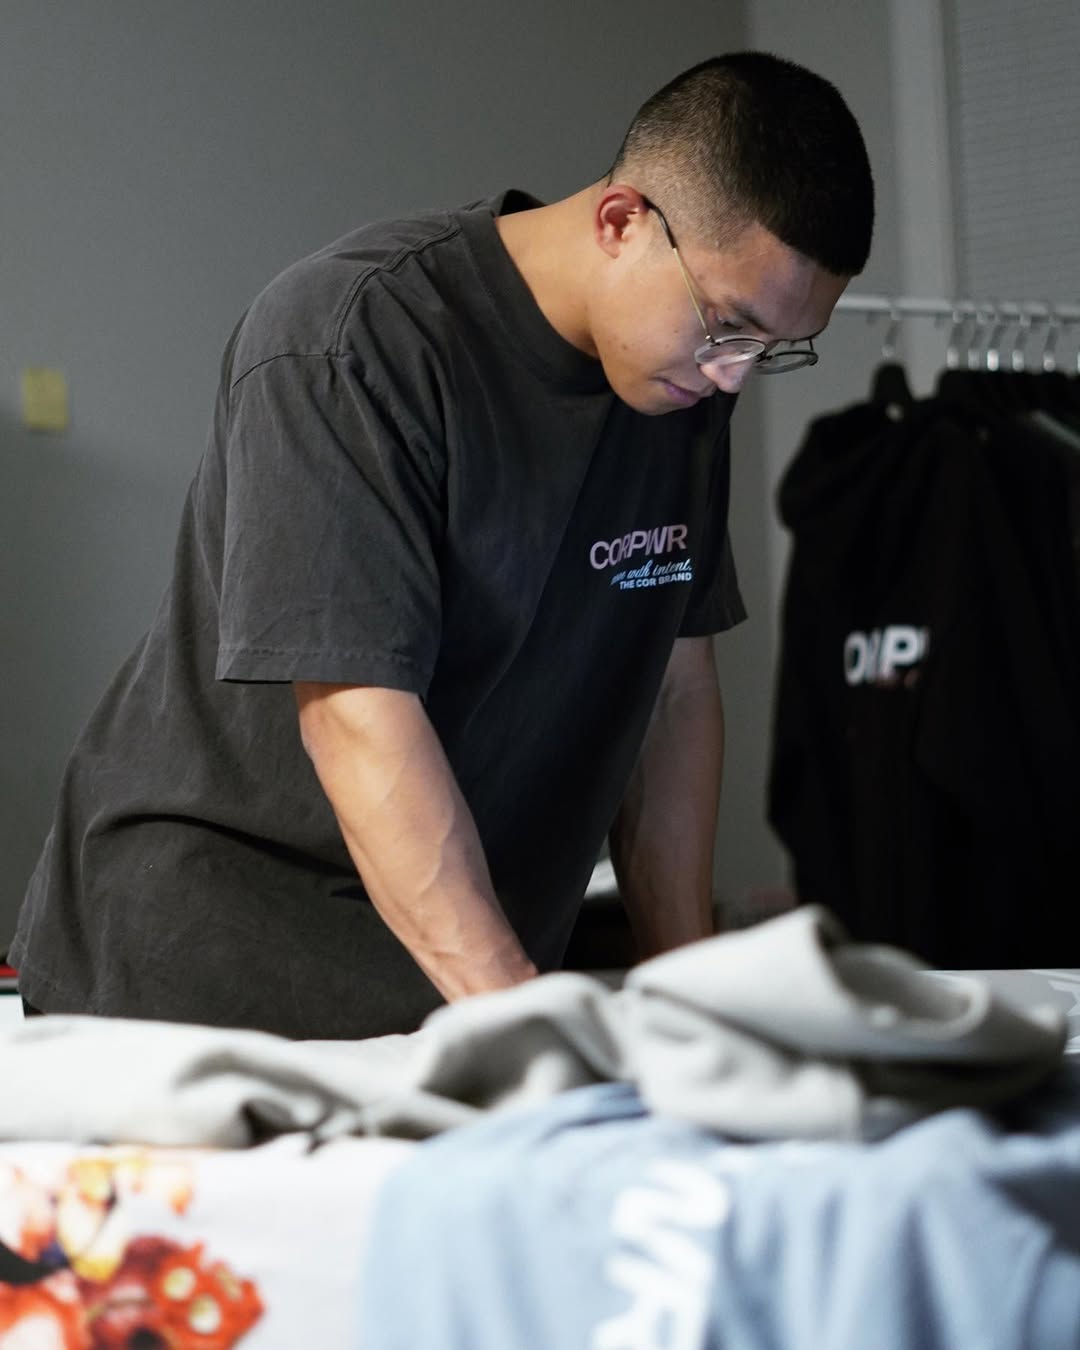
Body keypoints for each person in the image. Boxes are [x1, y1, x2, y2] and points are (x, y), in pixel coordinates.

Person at [10, 52, 873, 1039]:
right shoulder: (350, 340)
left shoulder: (679, 387)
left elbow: (671, 698)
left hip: (449, 981)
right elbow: (357, 715)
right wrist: (523, 1020)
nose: (734, 378)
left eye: (773, 349)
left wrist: (695, 1008)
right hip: (203, 976)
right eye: (729, 326)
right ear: (621, 221)